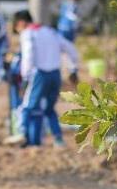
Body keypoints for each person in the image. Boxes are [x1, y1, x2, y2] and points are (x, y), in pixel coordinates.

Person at [13, 10, 79, 147]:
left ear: (21, 23)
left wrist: (25, 77)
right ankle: (58, 139)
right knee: (49, 109)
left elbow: (28, 55)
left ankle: (21, 133)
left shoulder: (28, 34)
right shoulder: (51, 32)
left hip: (39, 74)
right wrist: (73, 68)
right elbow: (70, 48)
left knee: (27, 106)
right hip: (55, 75)